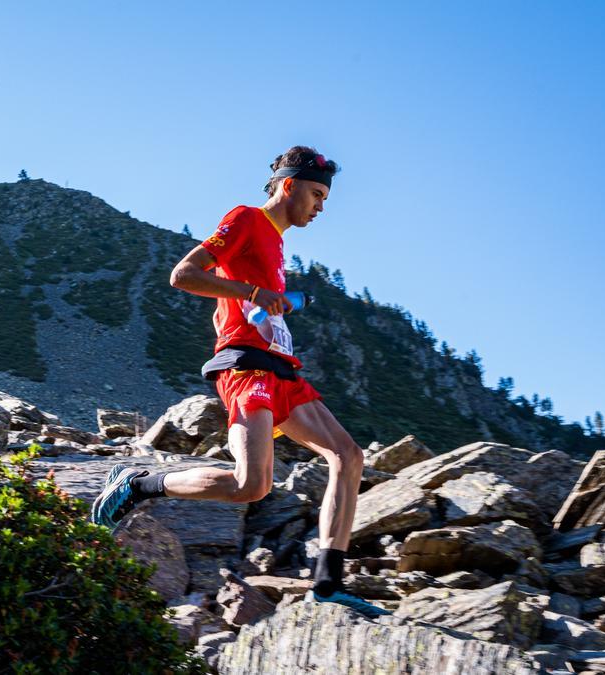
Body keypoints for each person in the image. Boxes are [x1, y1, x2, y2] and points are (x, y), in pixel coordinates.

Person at [90, 146, 389, 618]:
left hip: (281, 369)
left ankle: (328, 584)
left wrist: (270, 302)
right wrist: (253, 293)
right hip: (247, 368)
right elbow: (183, 275)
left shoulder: (276, 244)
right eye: (315, 194)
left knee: (349, 456)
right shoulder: (247, 219)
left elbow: (246, 303)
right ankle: (139, 484)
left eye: (325, 198)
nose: (320, 207)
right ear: (287, 186)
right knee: (252, 486)